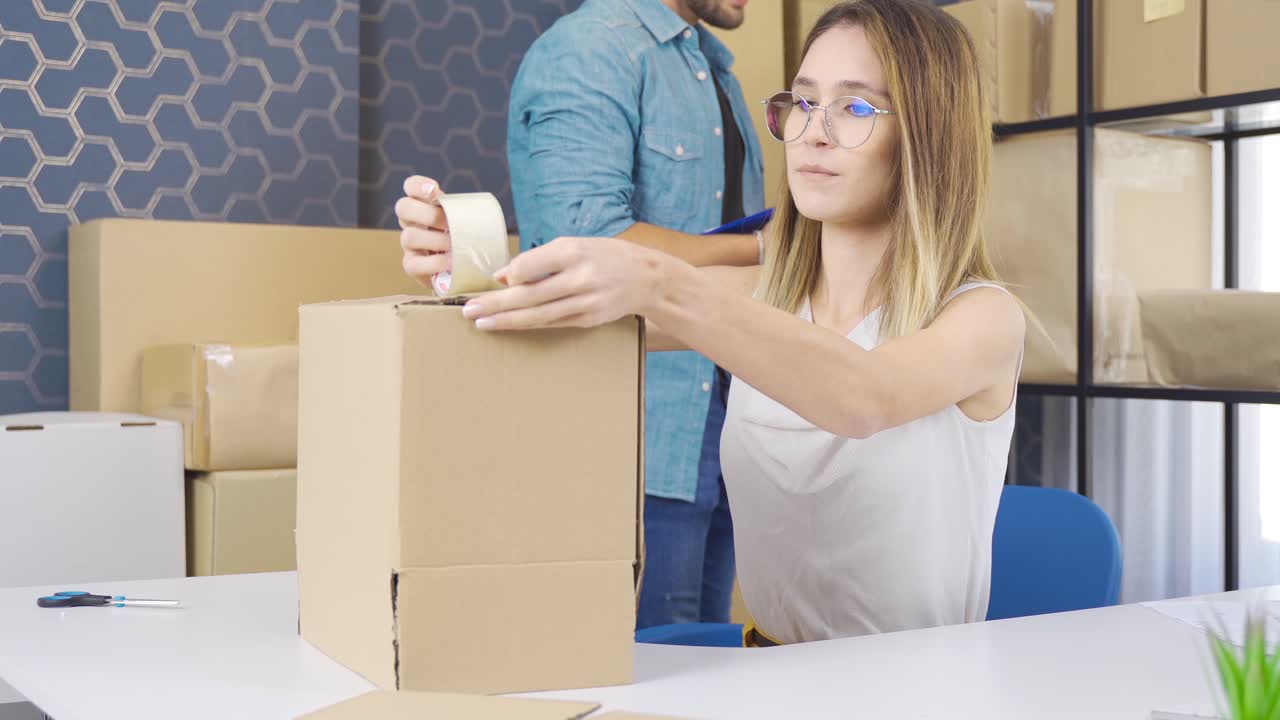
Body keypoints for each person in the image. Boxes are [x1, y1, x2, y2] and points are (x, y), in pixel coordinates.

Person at [397, 0, 1025, 646]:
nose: (813, 132)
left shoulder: (981, 319)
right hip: (768, 682)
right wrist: (468, 259)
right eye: (804, 103)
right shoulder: (762, 297)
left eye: (857, 108)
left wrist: (662, 280)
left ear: (929, 135)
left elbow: (864, 395)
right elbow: (564, 320)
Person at [403, 0, 765, 629]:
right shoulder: (589, 50)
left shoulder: (713, 68)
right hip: (636, 428)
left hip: (735, 413)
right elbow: (591, 245)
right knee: (650, 665)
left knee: (709, 664)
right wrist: (767, 247)